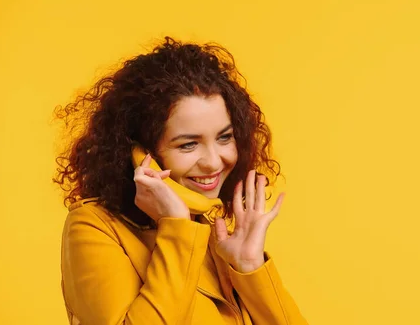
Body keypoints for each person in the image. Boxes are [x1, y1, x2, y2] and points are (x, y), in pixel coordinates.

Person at [54, 36, 307, 325]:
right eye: (188, 144)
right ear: (141, 154)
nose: (214, 161)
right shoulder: (93, 227)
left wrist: (250, 267)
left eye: (224, 137)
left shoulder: (216, 236)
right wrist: (176, 229)